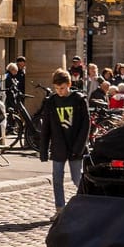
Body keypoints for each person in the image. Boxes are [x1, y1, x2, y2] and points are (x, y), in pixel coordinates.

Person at [36, 68, 90, 210]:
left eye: (62, 88)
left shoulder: (79, 100)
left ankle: (86, 206)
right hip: (59, 146)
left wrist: (79, 147)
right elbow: (46, 127)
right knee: (57, 180)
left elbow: (86, 126)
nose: (59, 91)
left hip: (75, 145)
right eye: (56, 88)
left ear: (69, 84)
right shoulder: (51, 102)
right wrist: (43, 149)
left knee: (77, 179)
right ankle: (60, 209)